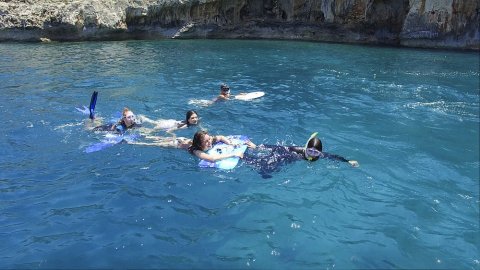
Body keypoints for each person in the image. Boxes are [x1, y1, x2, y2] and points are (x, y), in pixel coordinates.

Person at [243, 132, 359, 178]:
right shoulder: (299, 150)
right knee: (268, 169)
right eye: (310, 151)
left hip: (294, 158)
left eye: (316, 152)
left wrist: (348, 161)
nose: (313, 154)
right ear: (306, 148)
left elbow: (334, 157)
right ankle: (244, 156)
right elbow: (280, 148)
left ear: (320, 152)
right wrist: (257, 147)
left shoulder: (321, 155)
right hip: (290, 155)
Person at [189, 130, 256, 162]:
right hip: (182, 145)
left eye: (209, 139)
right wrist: (233, 154)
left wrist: (230, 143)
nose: (209, 142)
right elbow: (212, 159)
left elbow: (221, 137)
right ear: (200, 144)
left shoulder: (210, 140)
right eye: (206, 141)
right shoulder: (197, 151)